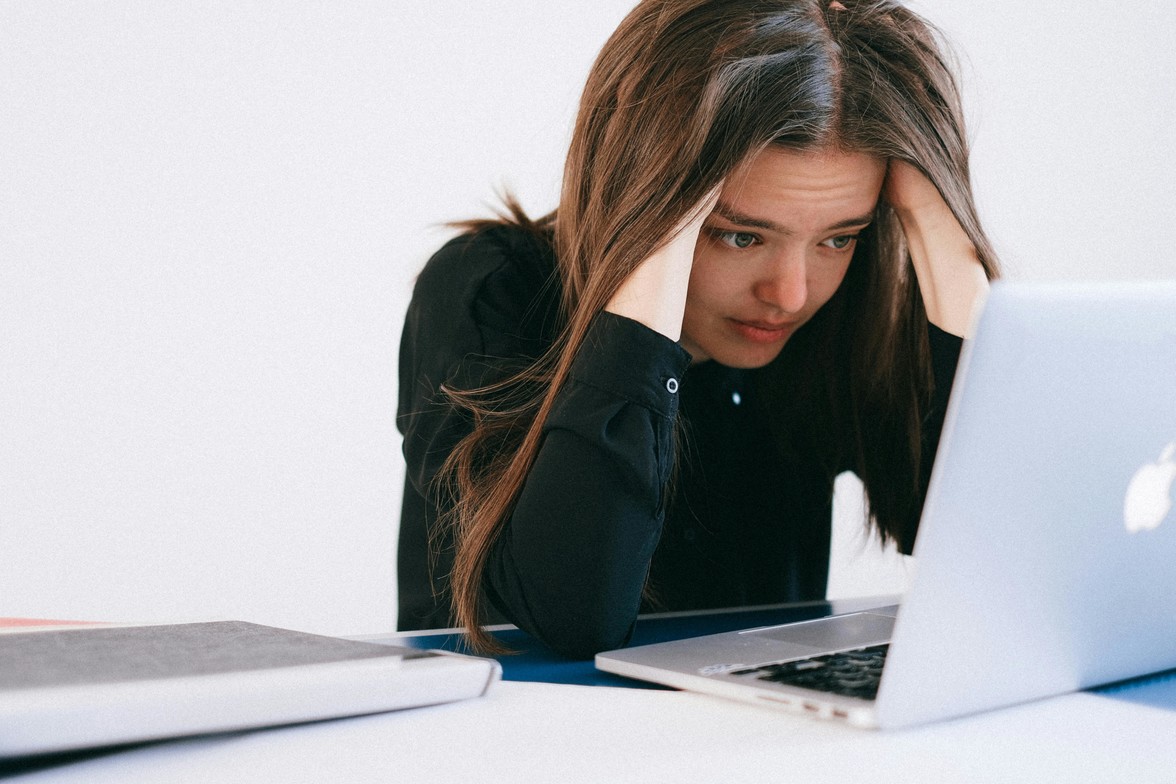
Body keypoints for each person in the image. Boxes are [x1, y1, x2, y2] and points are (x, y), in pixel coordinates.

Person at [397, 0, 999, 658]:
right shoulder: (489, 291)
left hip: (758, 745)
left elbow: (991, 554)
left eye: (838, 238)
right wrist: (652, 250)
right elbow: (573, 614)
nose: (790, 295)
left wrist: (949, 235)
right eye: (739, 235)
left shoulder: (837, 316)